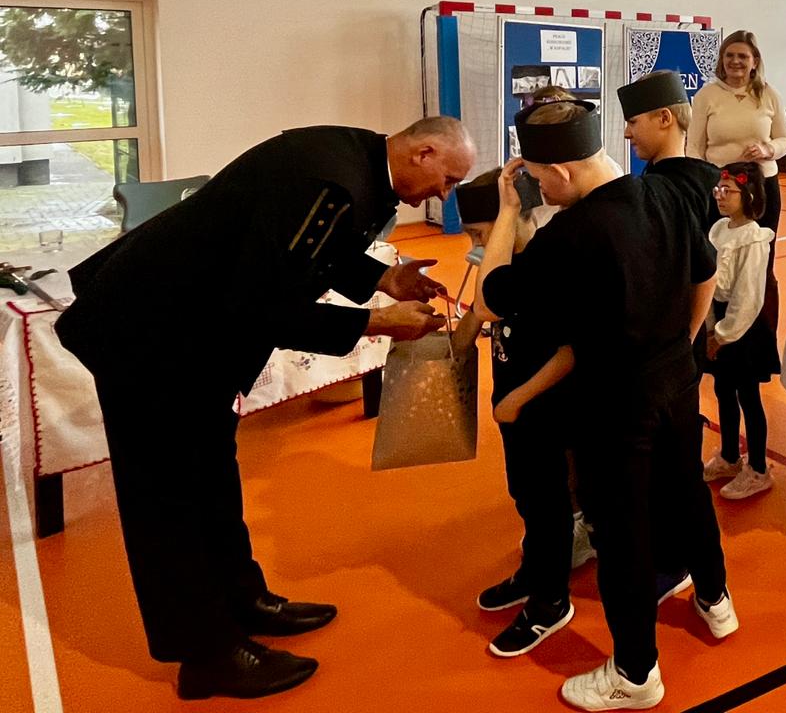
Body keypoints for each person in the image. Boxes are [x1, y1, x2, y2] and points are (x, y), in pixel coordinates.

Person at [55, 119, 471, 699]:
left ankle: (241, 600)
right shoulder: (332, 180)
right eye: (447, 180)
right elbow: (261, 304)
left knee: (211, 476)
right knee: (169, 499)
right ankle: (206, 656)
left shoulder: (357, 157)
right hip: (147, 336)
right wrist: (375, 321)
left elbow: (305, 250)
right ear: (423, 152)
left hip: (191, 336)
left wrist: (384, 279)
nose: (444, 196)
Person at [486, 100, 735, 710]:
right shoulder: (667, 193)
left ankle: (635, 672)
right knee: (688, 492)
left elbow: (493, 296)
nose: (541, 189)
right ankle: (716, 599)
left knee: (621, 532)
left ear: (561, 171)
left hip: (615, 403)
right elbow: (705, 271)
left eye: (540, 179)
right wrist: (680, 345)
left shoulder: (570, 235)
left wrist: (508, 211)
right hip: (675, 381)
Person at [455, 159, 597, 660]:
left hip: (544, 406)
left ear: (511, 218)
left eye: (480, 233)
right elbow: (472, 327)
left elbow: (572, 349)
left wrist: (517, 398)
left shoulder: (549, 264)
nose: (476, 243)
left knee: (549, 503)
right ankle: (535, 572)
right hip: (512, 409)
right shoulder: (501, 269)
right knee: (526, 495)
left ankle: (550, 601)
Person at [689, 31, 786, 349]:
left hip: (762, 188)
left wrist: (768, 149)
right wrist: (703, 186)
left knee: (762, 265)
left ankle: (761, 341)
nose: (735, 61)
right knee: (717, 260)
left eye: (743, 56)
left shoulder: (769, 95)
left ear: (754, 61)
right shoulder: (707, 96)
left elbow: (785, 140)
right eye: (729, 55)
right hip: (719, 188)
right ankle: (713, 335)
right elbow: (694, 147)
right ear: (722, 59)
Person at [701, 162, 778, 501]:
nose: (719, 196)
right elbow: (708, 282)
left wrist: (721, 336)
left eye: (727, 191)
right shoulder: (719, 229)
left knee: (748, 396)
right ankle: (730, 456)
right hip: (718, 320)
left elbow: (748, 297)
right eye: (718, 190)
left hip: (743, 328)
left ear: (748, 196)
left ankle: (758, 468)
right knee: (723, 389)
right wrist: (709, 328)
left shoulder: (754, 238)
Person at [623, 70, 720, 234]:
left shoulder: (651, 191)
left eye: (633, 122)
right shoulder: (712, 179)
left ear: (664, 118)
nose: (627, 133)